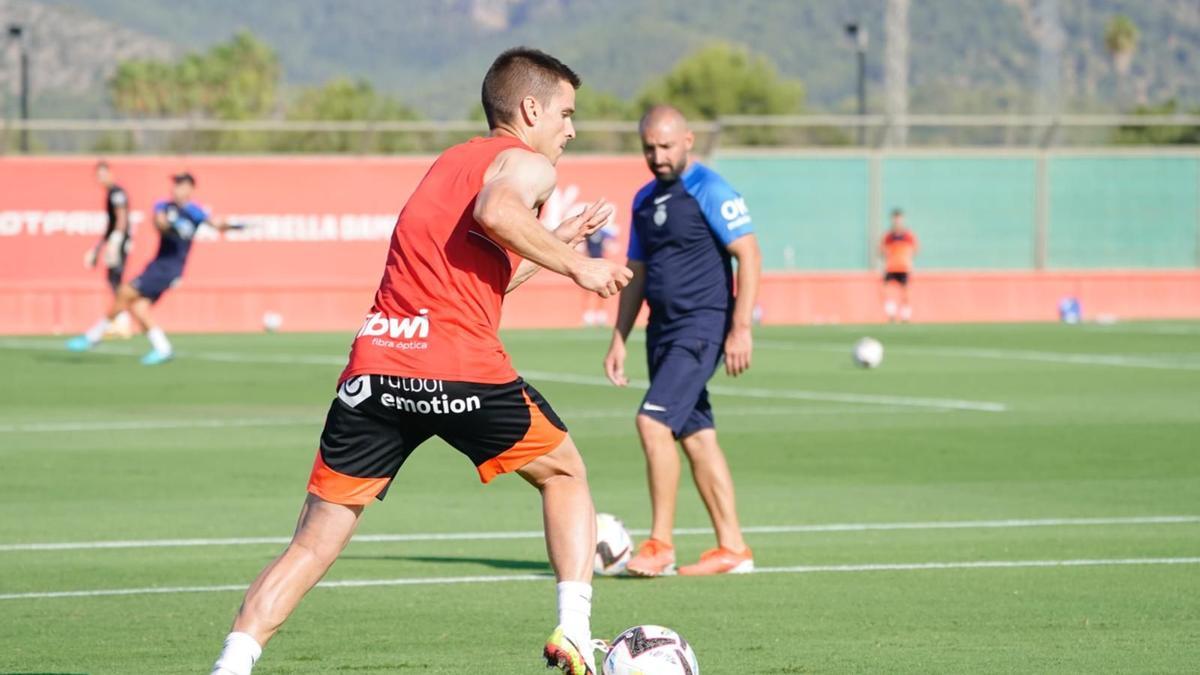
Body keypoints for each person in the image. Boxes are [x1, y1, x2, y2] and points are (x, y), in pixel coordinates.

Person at [209, 47, 631, 675]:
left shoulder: (448, 166)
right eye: (567, 114)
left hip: (376, 371)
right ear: (531, 108)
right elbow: (499, 210)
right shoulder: (526, 165)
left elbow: (471, 282)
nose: (571, 129)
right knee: (564, 474)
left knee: (313, 542)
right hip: (459, 367)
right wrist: (581, 264)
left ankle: (232, 664)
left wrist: (552, 247)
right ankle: (574, 632)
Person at [603, 105, 761, 578]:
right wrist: (619, 338)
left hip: (702, 327)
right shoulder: (644, 200)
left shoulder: (709, 189)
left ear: (688, 141)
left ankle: (660, 543)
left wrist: (740, 327)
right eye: (649, 147)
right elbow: (637, 274)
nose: (657, 156)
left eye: (666, 146)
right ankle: (733, 548)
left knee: (652, 423)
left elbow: (749, 256)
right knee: (696, 436)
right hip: (662, 332)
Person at [66, 172, 236, 365]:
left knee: (124, 292)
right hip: (158, 264)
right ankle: (163, 349)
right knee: (139, 307)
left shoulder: (195, 212)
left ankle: (93, 336)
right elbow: (160, 222)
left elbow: (215, 224)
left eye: (181, 185)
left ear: (190, 189)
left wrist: (227, 225)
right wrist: (171, 225)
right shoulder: (164, 206)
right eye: (175, 184)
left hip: (169, 268)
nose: (175, 188)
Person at [85, 160, 134, 338]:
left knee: (116, 279)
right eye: (99, 175)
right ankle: (120, 320)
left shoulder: (116, 193)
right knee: (113, 279)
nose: (101, 178)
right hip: (116, 240)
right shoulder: (110, 194)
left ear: (111, 174)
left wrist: (117, 239)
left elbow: (121, 217)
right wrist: (98, 248)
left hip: (120, 241)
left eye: (104, 174)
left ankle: (122, 321)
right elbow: (110, 225)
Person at [880, 208, 918, 323]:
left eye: (899, 219)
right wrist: (887, 254)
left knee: (906, 293)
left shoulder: (908, 235)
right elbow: (881, 249)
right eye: (895, 219)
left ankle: (905, 316)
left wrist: (908, 260)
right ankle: (891, 314)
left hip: (904, 267)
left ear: (902, 220)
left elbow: (915, 249)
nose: (897, 221)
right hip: (891, 267)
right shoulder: (888, 236)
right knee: (885, 290)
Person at [581, 222, 618, 326]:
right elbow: (585, 248)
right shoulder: (588, 233)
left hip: (600, 265)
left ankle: (600, 315)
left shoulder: (603, 232)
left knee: (601, 290)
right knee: (587, 290)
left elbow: (612, 240)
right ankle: (588, 314)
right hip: (589, 264)